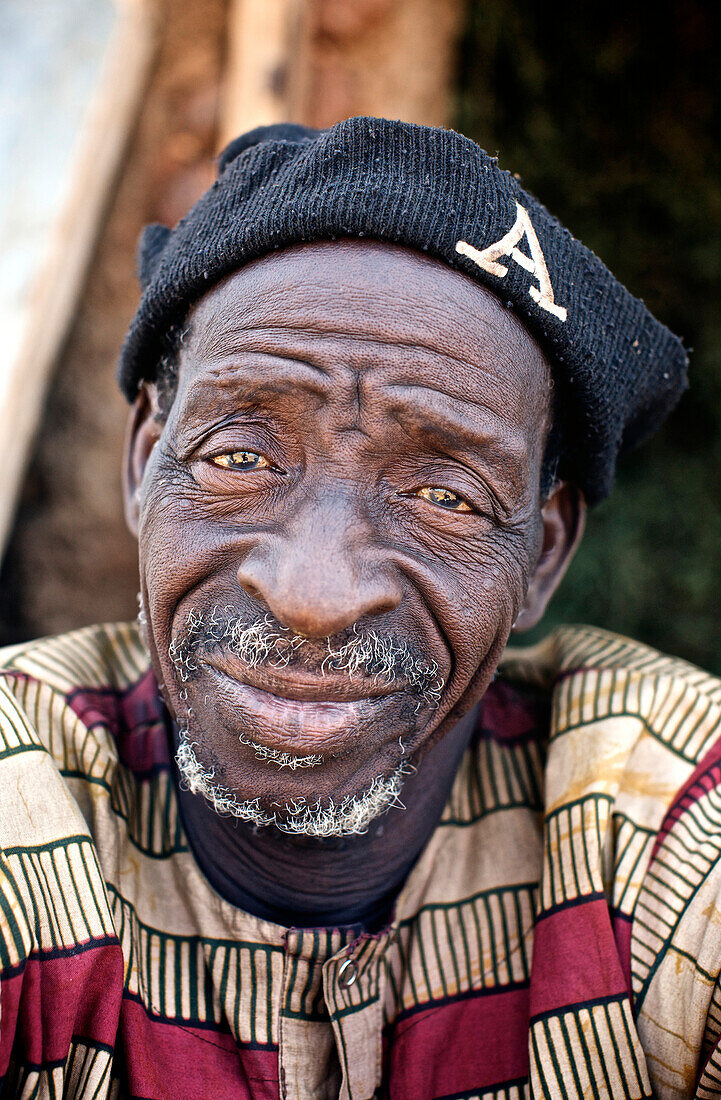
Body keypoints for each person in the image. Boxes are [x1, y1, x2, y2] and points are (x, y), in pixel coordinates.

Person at [0, 117, 716, 1100]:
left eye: (445, 495)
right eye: (240, 457)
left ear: (542, 549)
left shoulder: (652, 831)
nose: (312, 595)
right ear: (143, 461)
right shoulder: (23, 795)